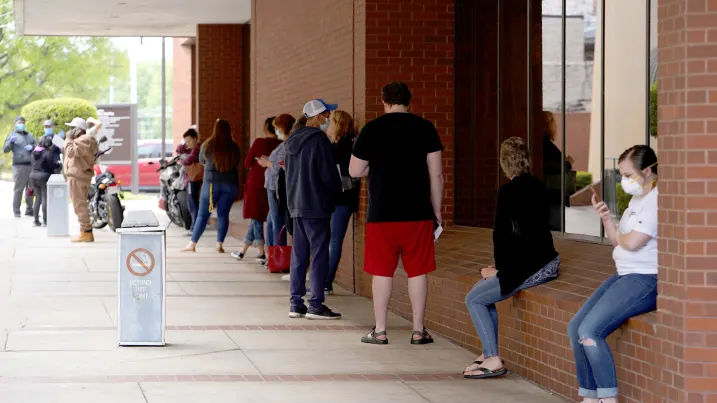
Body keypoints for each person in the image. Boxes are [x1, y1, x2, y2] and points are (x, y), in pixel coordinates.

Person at [349, 81, 444, 345]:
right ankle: (418, 330)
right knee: (418, 272)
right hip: (417, 212)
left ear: (384, 100)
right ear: (409, 101)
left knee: (382, 272)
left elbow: (354, 171)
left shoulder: (372, 129)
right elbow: (436, 173)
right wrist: (437, 210)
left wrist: (378, 169)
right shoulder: (425, 128)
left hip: (381, 214)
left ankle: (380, 331)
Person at [462, 137, 560, 379]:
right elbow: (530, 235)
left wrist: (500, 272)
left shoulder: (507, 193)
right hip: (545, 260)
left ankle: (493, 358)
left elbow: (503, 237)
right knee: (481, 293)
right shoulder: (538, 187)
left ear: (504, 163)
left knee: (474, 299)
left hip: (531, 265)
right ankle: (488, 352)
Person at [568, 145, 658, 403]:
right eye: (622, 175)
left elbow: (632, 243)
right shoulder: (637, 200)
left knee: (590, 330)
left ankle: (607, 398)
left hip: (644, 279)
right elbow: (619, 241)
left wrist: (621, 236)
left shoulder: (657, 200)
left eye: (628, 175)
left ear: (648, 171)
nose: (624, 181)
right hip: (624, 275)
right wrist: (608, 220)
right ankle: (590, 396)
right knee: (576, 327)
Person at [284, 99, 342, 320]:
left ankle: (295, 303)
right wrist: (336, 194)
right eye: (326, 115)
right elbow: (329, 175)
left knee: (299, 255)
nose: (328, 119)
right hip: (316, 205)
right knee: (318, 255)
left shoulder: (292, 141)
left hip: (296, 205)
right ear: (318, 117)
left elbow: (286, 176)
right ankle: (316, 304)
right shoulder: (319, 140)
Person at [183, 119, 241, 253]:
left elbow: (202, 161)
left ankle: (192, 244)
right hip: (230, 185)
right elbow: (237, 162)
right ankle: (219, 244)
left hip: (211, 185)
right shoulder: (234, 147)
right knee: (223, 214)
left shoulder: (208, 144)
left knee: (203, 215)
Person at [230, 117, 282, 262]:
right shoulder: (281, 144)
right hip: (274, 184)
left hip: (257, 182)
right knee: (260, 217)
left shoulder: (259, 142)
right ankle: (242, 250)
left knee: (256, 218)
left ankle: (261, 252)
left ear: (266, 128)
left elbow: (247, 163)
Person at [325, 110, 360, 294]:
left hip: (340, 200)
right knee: (332, 241)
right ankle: (325, 280)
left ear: (338, 124)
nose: (328, 125)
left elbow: (348, 177)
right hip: (340, 200)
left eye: (330, 121)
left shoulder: (342, 148)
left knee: (334, 241)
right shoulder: (343, 145)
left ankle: (326, 281)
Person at [257, 114, 296, 247]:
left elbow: (283, 167)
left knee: (276, 223)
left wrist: (268, 163)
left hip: (276, 187)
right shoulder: (284, 144)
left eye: (277, 128)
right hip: (273, 186)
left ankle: (278, 255)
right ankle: (272, 255)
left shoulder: (288, 145)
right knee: (271, 222)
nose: (276, 131)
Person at [63, 117, 100, 242]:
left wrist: (68, 139)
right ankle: (84, 231)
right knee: (79, 204)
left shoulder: (84, 140)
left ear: (78, 130)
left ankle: (87, 232)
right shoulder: (81, 140)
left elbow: (71, 152)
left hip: (78, 176)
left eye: (72, 128)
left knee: (79, 205)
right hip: (78, 175)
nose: (70, 131)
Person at [542, 111, 576, 231]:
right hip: (551, 196)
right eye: (553, 122)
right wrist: (568, 163)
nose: (555, 126)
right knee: (554, 232)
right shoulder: (545, 145)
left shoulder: (542, 144)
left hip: (549, 195)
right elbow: (553, 167)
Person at [4, 116, 36, 217]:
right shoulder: (12, 135)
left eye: (22, 122)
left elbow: (37, 145)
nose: (21, 124)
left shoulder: (29, 136)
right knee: (19, 189)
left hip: (30, 165)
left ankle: (29, 209)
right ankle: (16, 210)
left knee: (30, 189)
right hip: (19, 166)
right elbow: (5, 149)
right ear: (15, 124)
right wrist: (10, 142)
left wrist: (33, 147)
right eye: (19, 122)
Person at [29, 135, 62, 227]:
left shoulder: (34, 152)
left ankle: (35, 221)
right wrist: (59, 165)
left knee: (37, 198)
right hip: (44, 176)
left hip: (33, 176)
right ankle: (45, 221)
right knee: (44, 198)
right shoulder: (48, 153)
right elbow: (53, 165)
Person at [177, 126, 203, 235]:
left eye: (189, 140)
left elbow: (187, 161)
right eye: (186, 141)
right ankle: (194, 227)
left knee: (193, 204)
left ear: (196, 138)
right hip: (193, 178)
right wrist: (184, 143)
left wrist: (182, 160)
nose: (187, 143)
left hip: (194, 179)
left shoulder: (197, 148)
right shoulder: (193, 147)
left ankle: (194, 229)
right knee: (192, 203)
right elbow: (179, 149)